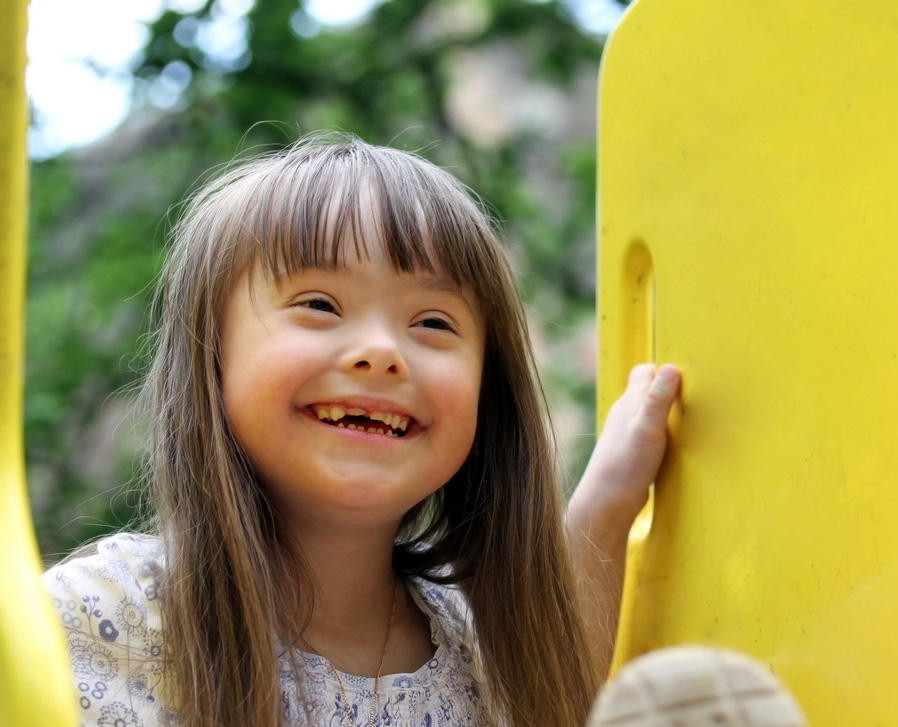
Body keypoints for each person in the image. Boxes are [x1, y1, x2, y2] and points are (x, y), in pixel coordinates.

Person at [43, 135, 682, 727]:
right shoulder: (107, 618)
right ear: (211, 356)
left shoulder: (490, 654)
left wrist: (609, 498)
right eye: (319, 305)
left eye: (433, 322)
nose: (381, 350)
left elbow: (559, 679)